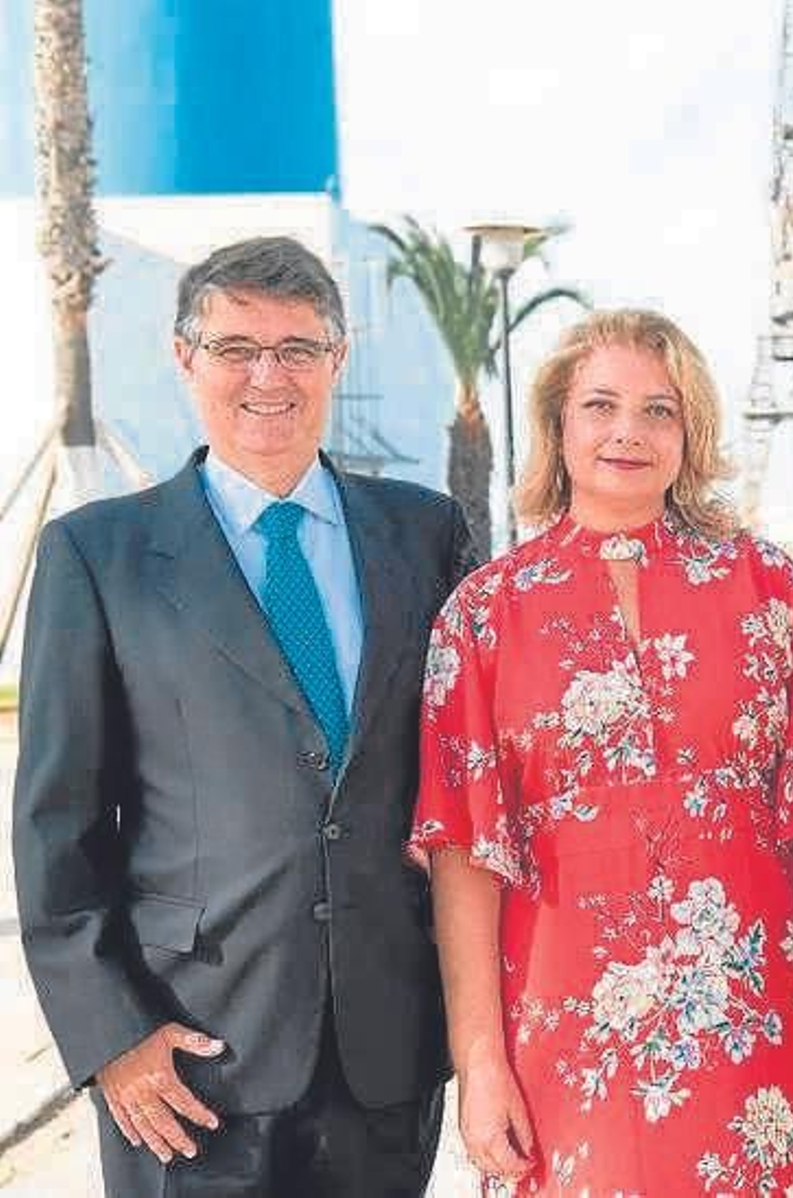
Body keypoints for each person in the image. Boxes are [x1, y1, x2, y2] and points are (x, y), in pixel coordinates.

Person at [12, 235, 477, 1195]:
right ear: (186, 359)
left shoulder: (424, 533)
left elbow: (473, 766)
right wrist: (111, 1037)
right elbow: (56, 826)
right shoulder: (98, 555)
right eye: (235, 348)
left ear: (336, 359)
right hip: (185, 1057)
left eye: (298, 348)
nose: (269, 376)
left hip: (386, 1051)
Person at [408, 308, 793, 1194]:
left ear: (691, 432)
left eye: (658, 410)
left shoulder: (773, 590)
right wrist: (479, 1061)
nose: (628, 433)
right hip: (565, 1028)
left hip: (762, 1017)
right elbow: (464, 855)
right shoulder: (484, 614)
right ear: (558, 425)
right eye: (600, 406)